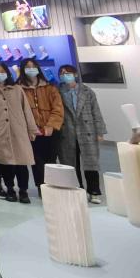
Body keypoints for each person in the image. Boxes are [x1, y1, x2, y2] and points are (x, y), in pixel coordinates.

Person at [0, 63, 38, 204]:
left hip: (19, 130)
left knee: (22, 163)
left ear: (7, 72)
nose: (0, 74)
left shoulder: (17, 89)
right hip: (0, 130)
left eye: (2, 71)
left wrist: (32, 129)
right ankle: (10, 189)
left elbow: (26, 110)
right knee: (5, 163)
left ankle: (23, 191)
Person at [57, 65, 107, 204]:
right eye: (62, 73)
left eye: (68, 73)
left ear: (75, 74)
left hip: (87, 131)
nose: (65, 75)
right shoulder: (58, 91)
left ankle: (94, 191)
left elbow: (96, 111)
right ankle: (76, 188)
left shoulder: (87, 91)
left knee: (91, 163)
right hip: (67, 132)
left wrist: (100, 131)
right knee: (70, 163)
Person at [20, 58, 63, 189]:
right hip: (32, 131)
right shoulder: (19, 89)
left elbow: (58, 108)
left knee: (51, 159)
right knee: (36, 161)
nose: (31, 69)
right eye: (27, 67)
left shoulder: (50, 87)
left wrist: (50, 125)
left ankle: (53, 185)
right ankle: (41, 187)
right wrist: (30, 128)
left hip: (50, 131)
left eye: (33, 66)